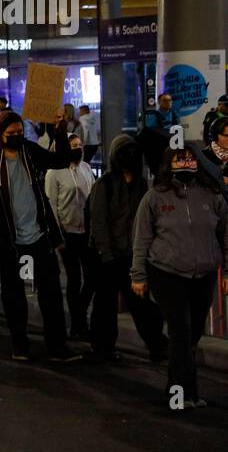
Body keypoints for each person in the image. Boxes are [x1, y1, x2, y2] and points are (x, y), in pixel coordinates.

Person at [0, 111, 81, 362]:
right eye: (12, 134)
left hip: (39, 236)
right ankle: (19, 344)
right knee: (15, 295)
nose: (17, 137)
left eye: (20, 133)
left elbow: (60, 160)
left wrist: (60, 131)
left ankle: (57, 346)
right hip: (11, 242)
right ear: (0, 135)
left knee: (51, 292)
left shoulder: (28, 152)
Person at [131, 148, 228, 411]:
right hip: (166, 274)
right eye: (180, 158)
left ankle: (176, 386)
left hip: (203, 275)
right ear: (168, 164)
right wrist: (138, 276)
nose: (186, 163)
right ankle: (185, 393)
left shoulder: (212, 196)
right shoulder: (154, 197)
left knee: (191, 334)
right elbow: (142, 239)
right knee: (181, 332)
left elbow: (225, 235)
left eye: (191, 158)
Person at [87, 135, 167, 362]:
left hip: (131, 256)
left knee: (141, 305)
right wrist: (106, 255)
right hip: (107, 256)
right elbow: (99, 223)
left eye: (133, 152)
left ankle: (157, 346)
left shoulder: (141, 184)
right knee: (105, 305)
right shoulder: (105, 184)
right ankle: (103, 348)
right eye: (125, 152)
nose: (130, 156)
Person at [45, 134, 94, 339]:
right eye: (73, 146)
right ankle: (77, 324)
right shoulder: (54, 173)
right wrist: (57, 237)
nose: (78, 148)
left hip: (87, 232)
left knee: (91, 278)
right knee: (74, 278)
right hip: (68, 233)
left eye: (79, 145)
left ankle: (80, 315)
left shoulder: (86, 168)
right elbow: (51, 206)